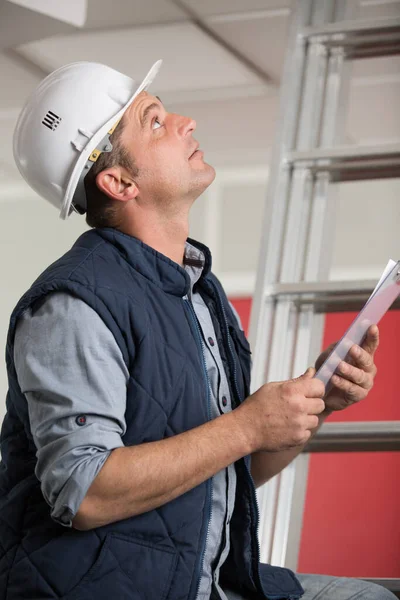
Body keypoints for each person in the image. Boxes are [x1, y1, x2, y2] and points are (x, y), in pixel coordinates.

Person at [0, 59, 393, 600]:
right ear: (118, 181)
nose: (186, 122)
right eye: (155, 121)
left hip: (207, 580)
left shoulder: (198, 292)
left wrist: (316, 403)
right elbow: (83, 493)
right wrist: (247, 426)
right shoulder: (73, 305)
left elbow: (222, 477)